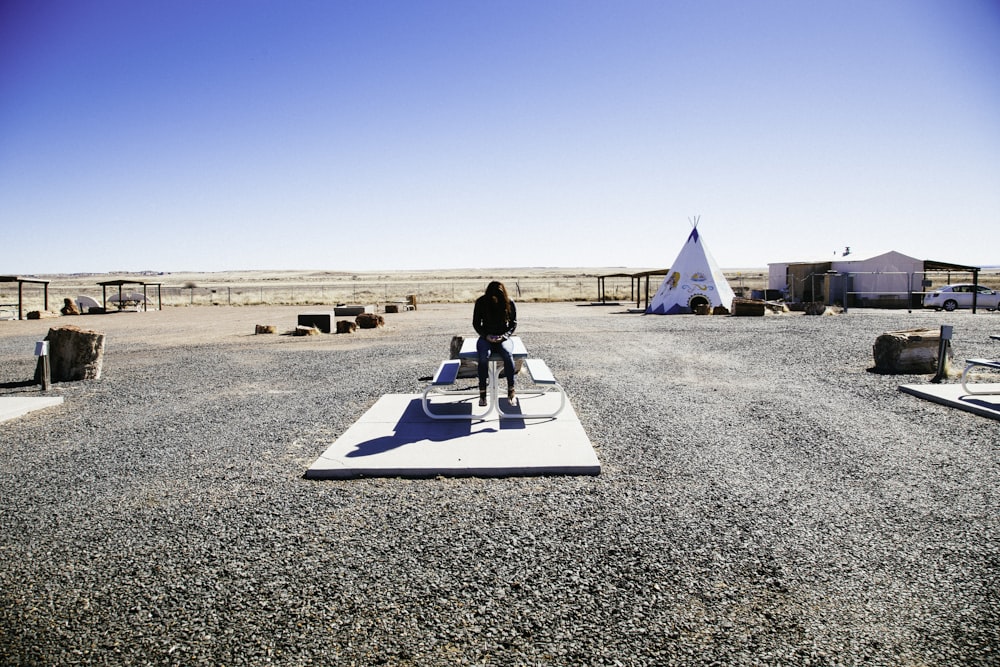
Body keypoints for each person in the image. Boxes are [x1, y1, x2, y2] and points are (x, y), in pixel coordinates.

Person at [472, 281, 518, 407]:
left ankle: (511, 391)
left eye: (498, 295)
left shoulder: (509, 302)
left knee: (508, 355)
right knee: (483, 357)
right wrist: (486, 336)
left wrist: (504, 337)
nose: (495, 298)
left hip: (503, 337)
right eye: (493, 295)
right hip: (485, 337)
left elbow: (513, 323)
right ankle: (482, 393)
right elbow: (476, 323)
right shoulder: (481, 302)